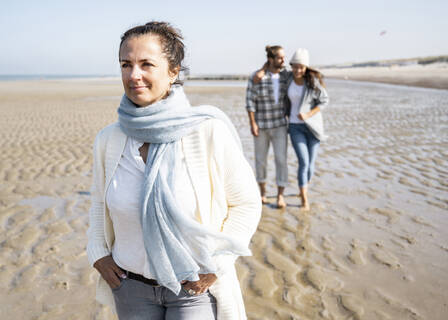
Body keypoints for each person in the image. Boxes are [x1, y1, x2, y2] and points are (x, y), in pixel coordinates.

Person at [86, 21, 262, 320]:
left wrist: (216, 265)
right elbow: (99, 204)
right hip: (130, 287)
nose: (134, 75)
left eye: (146, 64)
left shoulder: (207, 131)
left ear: (173, 71)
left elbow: (246, 204)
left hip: (193, 289)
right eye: (126, 64)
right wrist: (98, 254)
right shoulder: (109, 139)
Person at [245, 45, 290, 208]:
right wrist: (252, 123)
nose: (283, 60)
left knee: (281, 160)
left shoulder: (286, 76)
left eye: (284, 57)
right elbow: (250, 101)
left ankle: (280, 195)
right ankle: (262, 193)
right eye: (280, 57)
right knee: (260, 161)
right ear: (271, 60)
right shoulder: (257, 77)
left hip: (280, 126)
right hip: (261, 126)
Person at [284, 48, 329, 210]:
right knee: (303, 162)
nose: (297, 70)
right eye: (295, 66)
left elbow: (324, 101)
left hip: (313, 128)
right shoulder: (288, 79)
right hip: (295, 127)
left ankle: (304, 185)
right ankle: (304, 199)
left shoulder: (312, 82)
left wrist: (309, 114)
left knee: (311, 165)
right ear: (291, 66)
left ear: (306, 68)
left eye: (301, 67)